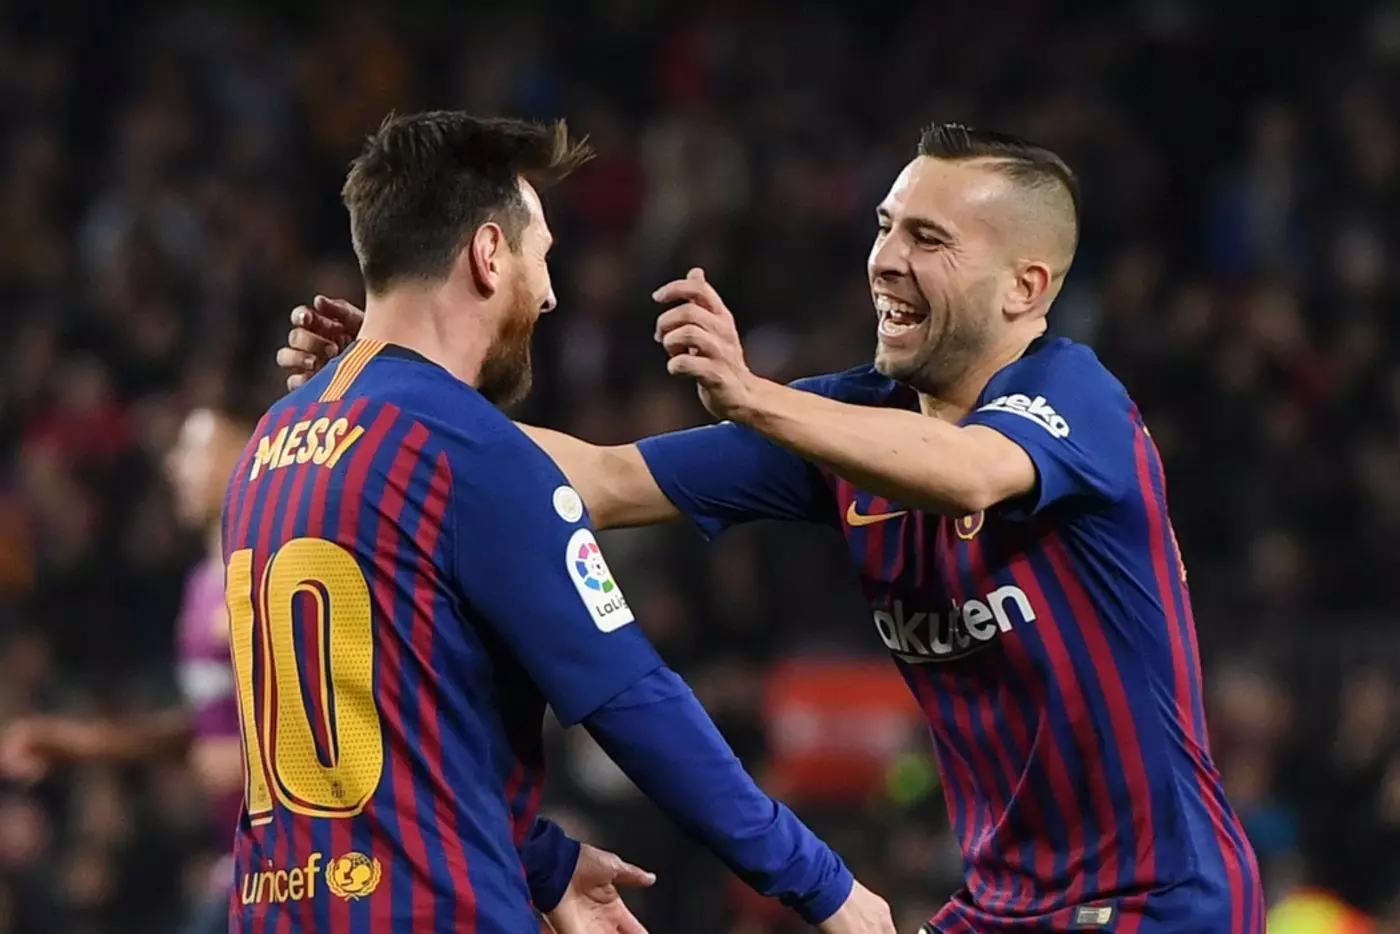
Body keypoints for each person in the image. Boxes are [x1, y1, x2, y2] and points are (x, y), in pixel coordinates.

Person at [281, 123, 1266, 933]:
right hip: (999, 906)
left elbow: (971, 472)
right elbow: (598, 480)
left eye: (929, 239)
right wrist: (400, 388)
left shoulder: (1076, 397)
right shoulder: (844, 422)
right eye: (885, 226)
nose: (885, 259)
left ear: (1025, 287)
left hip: (1155, 901)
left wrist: (752, 395)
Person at [239, 110, 891, 934]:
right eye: (539, 255)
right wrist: (825, 886)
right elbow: (634, 700)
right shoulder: (468, 450)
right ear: (488, 253)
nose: (548, 294)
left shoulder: (273, 442)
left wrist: (539, 859)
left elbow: (386, 722)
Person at [0, 400, 259, 934]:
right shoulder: (200, 587)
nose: (175, 465)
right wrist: (78, 745)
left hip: (292, 858)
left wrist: (259, 757)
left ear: (247, 453)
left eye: (195, 448)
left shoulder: (269, 577)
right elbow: (204, 729)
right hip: (238, 860)